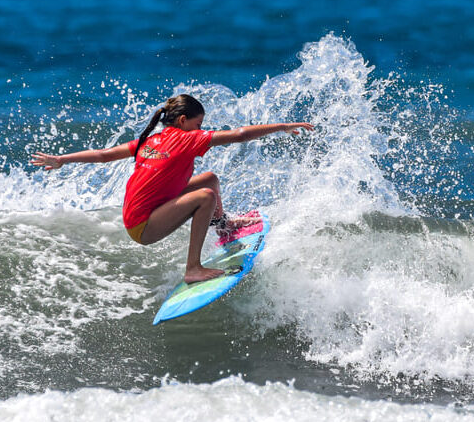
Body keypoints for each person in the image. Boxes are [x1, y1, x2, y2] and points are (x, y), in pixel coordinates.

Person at [31, 94, 313, 284]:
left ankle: (224, 226)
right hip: (143, 225)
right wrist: (283, 126)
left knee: (210, 179)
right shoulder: (187, 140)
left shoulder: (149, 140)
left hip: (147, 209)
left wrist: (61, 160)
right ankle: (193, 268)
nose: (202, 130)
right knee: (206, 196)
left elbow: (104, 155)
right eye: (199, 124)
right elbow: (239, 135)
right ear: (182, 121)